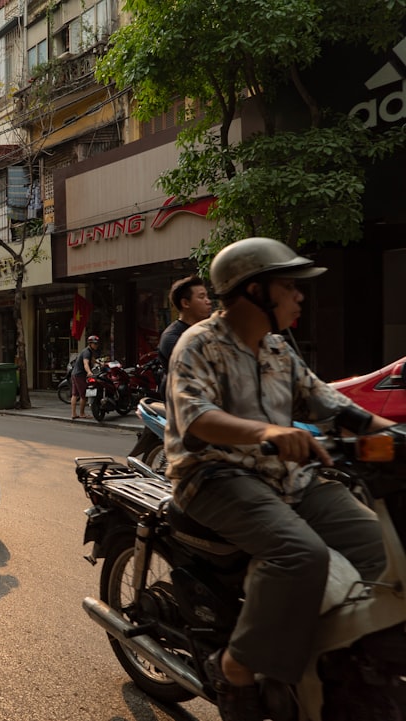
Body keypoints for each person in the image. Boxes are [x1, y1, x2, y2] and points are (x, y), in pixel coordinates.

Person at [164, 237, 392, 721]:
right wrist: (267, 430)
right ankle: (237, 668)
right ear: (254, 291)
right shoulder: (198, 343)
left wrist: (396, 436)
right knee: (299, 554)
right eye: (290, 287)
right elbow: (197, 417)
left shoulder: (278, 351)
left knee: (384, 549)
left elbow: (333, 405)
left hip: (291, 478)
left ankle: (342, 656)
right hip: (214, 475)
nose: (300, 297)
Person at [157, 275, 213, 365]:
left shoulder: (210, 329)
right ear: (185, 303)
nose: (208, 301)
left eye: (207, 297)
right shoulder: (172, 337)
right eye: (201, 297)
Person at [69, 335, 100, 420]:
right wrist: (89, 372)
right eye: (95, 344)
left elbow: (92, 360)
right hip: (80, 375)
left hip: (74, 374)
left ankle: (74, 414)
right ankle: (82, 413)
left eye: (97, 344)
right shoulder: (87, 352)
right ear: (90, 344)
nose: (96, 345)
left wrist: (100, 364)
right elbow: (85, 363)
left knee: (75, 394)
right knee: (83, 395)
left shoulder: (88, 351)